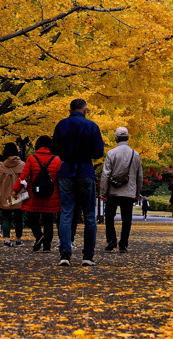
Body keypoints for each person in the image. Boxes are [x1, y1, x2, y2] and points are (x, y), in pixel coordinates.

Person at [50, 98, 105, 266]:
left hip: (66, 171)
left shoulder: (61, 125)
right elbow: (99, 152)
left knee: (66, 213)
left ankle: (65, 254)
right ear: (85, 110)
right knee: (89, 215)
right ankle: (88, 255)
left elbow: (53, 149)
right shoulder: (92, 127)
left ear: (70, 110)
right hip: (85, 171)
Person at [13, 135, 62, 252]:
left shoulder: (31, 158)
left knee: (32, 219)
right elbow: (61, 179)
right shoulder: (56, 160)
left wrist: (16, 190)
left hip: (34, 194)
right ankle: (47, 246)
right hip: (51, 195)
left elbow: (24, 177)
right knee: (48, 221)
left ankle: (39, 236)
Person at [99, 126, 144, 253]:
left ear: (116, 139)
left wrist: (103, 191)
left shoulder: (111, 153)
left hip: (113, 190)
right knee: (127, 218)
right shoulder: (135, 154)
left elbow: (106, 174)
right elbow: (139, 176)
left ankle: (111, 239)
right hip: (129, 191)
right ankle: (123, 244)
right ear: (128, 138)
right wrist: (137, 192)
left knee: (109, 216)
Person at [0, 143, 26, 247]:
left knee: (6, 217)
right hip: (18, 194)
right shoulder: (22, 165)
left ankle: (7, 240)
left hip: (5, 195)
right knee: (19, 217)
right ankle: (18, 239)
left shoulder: (1, 166)